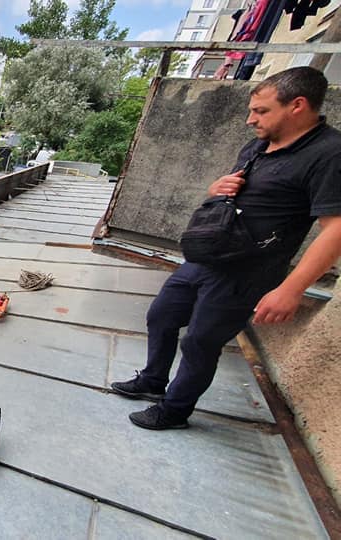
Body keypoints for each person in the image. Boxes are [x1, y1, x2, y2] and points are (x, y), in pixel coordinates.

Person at [111, 67, 341, 430]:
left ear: (297, 106)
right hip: (209, 257)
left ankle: (174, 410)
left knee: (201, 342)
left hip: (247, 273)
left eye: (261, 111)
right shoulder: (259, 146)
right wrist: (215, 187)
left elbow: (336, 230)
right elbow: (235, 195)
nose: (251, 120)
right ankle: (153, 381)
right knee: (162, 316)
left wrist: (290, 290)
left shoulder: (329, 154)